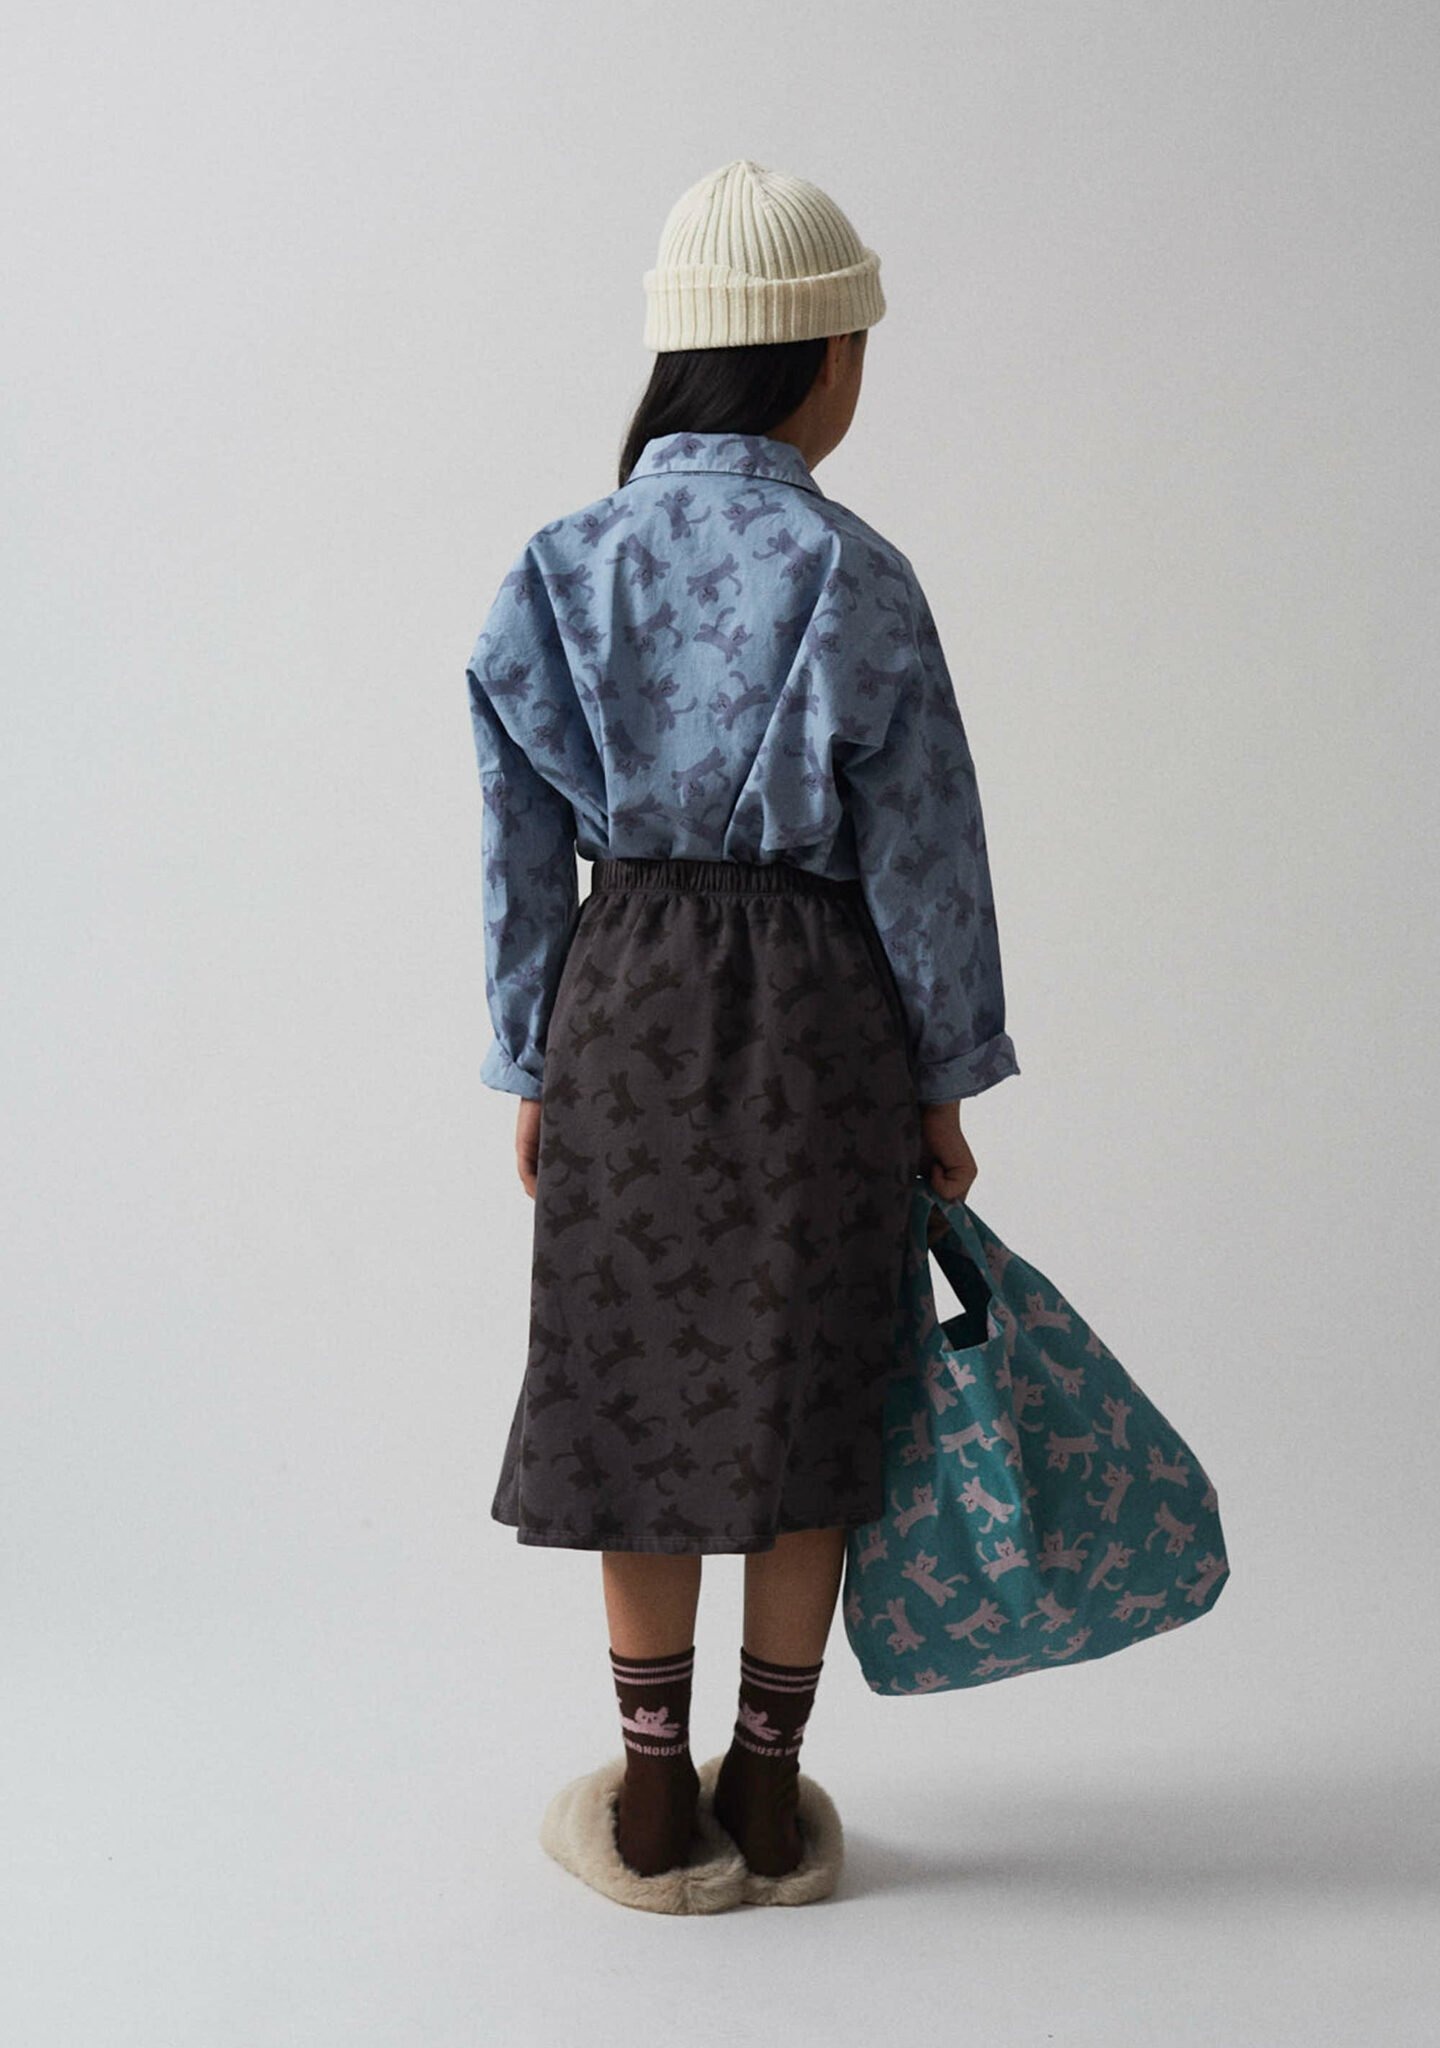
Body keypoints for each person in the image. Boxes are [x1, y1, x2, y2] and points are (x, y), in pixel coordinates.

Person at [463, 159, 1020, 1909]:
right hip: (822, 1022)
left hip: (622, 1004)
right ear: (818, 356)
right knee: (807, 1383)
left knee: (633, 1386)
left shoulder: (559, 567)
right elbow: (927, 856)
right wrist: (943, 1082)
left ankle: (651, 1804)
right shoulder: (859, 573)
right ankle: (767, 1798)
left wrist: (533, 1058)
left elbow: (514, 848)